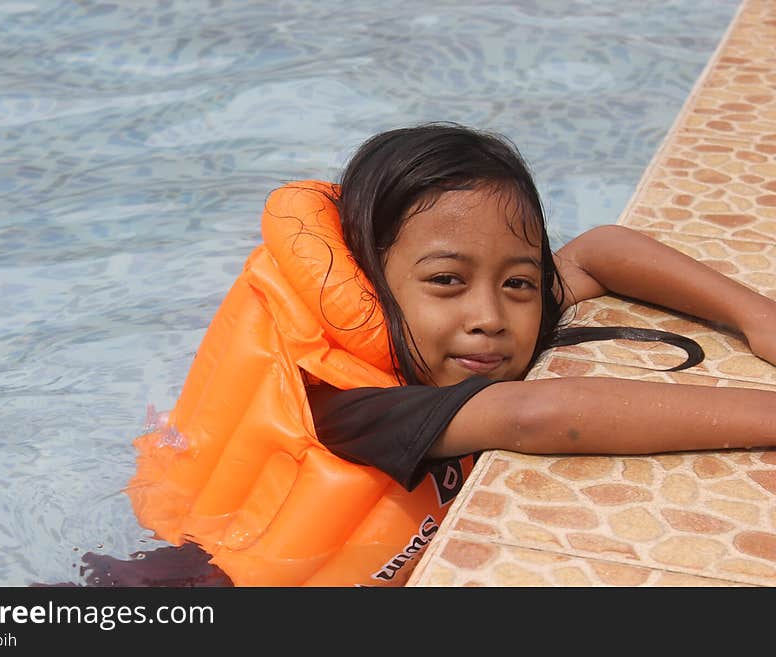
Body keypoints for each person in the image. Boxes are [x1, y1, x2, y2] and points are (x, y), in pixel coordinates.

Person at [124, 122, 776, 588]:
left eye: (517, 281)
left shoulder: (484, 314)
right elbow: (534, 413)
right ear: (372, 284)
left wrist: (756, 317)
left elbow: (597, 250)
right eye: (446, 281)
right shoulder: (349, 408)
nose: (490, 318)